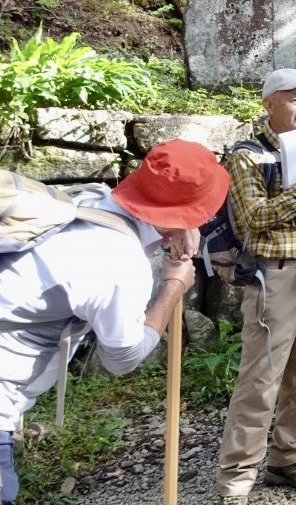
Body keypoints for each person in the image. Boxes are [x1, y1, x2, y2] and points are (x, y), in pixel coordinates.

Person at [1, 139, 230, 505]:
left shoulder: (87, 200)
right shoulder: (118, 262)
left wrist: (176, 225)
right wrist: (173, 286)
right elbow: (122, 358)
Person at [215, 68, 296, 505]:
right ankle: (237, 480)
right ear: (269, 105)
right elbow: (256, 218)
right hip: (274, 275)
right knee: (261, 377)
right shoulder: (247, 156)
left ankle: (288, 458)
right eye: (293, 99)